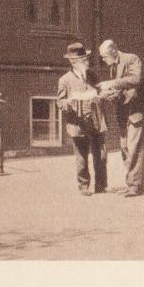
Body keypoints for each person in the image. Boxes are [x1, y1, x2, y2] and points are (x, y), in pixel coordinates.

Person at [97, 39, 144, 198]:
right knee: (125, 148)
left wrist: (111, 83)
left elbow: (135, 79)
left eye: (104, 57)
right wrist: (110, 94)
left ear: (114, 51)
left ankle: (135, 187)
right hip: (124, 113)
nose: (103, 60)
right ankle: (131, 184)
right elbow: (123, 90)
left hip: (136, 112)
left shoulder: (131, 59)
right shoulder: (114, 66)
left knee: (134, 149)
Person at [57, 42, 108, 196]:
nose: (86, 62)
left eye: (86, 58)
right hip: (78, 122)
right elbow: (60, 102)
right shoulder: (64, 80)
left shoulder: (93, 75)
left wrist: (99, 97)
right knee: (81, 157)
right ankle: (84, 186)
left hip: (96, 120)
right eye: (82, 60)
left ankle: (101, 186)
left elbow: (101, 93)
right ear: (73, 62)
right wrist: (69, 102)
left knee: (101, 155)